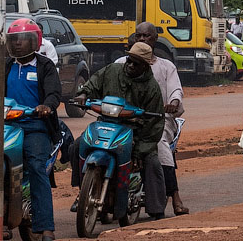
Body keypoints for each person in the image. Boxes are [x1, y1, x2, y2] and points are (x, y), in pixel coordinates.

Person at [73, 42, 166, 221]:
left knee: (152, 162)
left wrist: (140, 149)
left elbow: (154, 125)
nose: (131, 65)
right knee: (77, 146)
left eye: (136, 63)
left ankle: (156, 208)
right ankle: (83, 192)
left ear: (146, 66)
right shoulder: (111, 70)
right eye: (129, 61)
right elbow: (93, 84)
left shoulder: (151, 87)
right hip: (106, 124)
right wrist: (83, 94)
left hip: (135, 133)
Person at [114, 23, 187, 215]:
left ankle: (175, 196)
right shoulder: (120, 64)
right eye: (139, 36)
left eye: (147, 36)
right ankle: (86, 192)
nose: (142, 39)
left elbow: (176, 91)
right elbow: (100, 83)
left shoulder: (165, 66)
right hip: (123, 120)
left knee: (160, 147)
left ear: (154, 40)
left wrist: (173, 102)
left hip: (156, 121)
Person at [3, 18, 62, 241]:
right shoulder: (7, 64)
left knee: (37, 168)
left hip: (35, 127)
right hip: (8, 127)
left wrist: (47, 106)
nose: (18, 44)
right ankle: (1, 221)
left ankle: (46, 227)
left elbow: (54, 93)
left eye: (23, 40)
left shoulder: (44, 66)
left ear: (35, 42)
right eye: (14, 40)